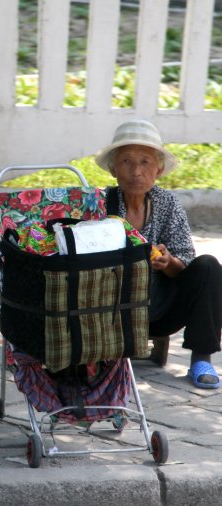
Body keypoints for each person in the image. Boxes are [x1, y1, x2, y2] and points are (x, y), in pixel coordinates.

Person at [95, 119, 222, 389]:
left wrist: (168, 263)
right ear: (113, 169)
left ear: (159, 169)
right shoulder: (100, 204)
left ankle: (202, 358)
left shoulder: (167, 202)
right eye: (127, 162)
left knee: (208, 266)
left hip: (161, 310)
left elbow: (185, 261)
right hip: (112, 314)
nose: (136, 172)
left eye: (145, 162)